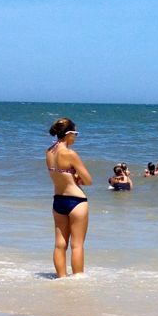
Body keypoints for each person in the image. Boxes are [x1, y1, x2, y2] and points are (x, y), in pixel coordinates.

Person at [45, 117, 92, 278]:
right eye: (75, 134)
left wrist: (71, 175)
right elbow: (88, 180)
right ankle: (78, 280)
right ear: (68, 134)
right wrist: (78, 177)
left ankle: (61, 279)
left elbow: (59, 175)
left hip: (58, 200)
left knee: (59, 245)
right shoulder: (70, 154)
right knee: (77, 245)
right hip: (76, 201)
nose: (76, 137)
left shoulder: (49, 152)